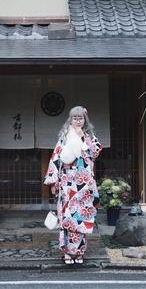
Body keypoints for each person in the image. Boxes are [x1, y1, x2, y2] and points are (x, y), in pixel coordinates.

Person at [43, 106, 102, 265]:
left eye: (80, 118)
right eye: (75, 118)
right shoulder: (64, 136)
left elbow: (94, 153)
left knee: (81, 216)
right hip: (67, 183)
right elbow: (56, 158)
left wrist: (84, 138)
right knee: (67, 216)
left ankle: (80, 252)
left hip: (83, 184)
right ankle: (67, 252)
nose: (78, 121)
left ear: (85, 120)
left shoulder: (89, 136)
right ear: (70, 120)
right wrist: (53, 181)